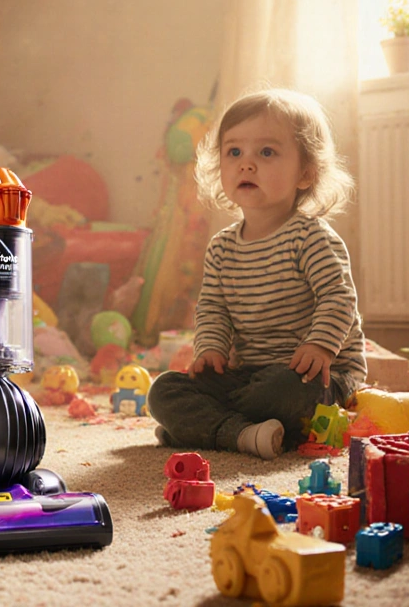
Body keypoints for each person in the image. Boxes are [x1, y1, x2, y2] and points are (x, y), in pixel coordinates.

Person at [149, 89, 368, 459]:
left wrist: (320, 346)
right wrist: (211, 349)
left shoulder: (309, 236)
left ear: (305, 174)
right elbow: (213, 310)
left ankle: (206, 428)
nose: (246, 164)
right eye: (234, 152)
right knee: (164, 391)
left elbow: (338, 296)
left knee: (283, 391)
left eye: (266, 152)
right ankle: (237, 432)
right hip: (248, 374)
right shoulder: (222, 247)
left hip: (316, 375)